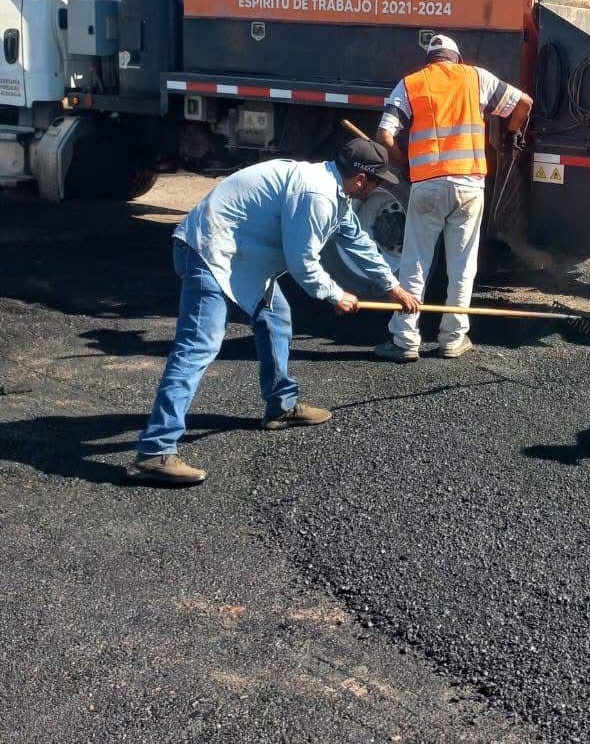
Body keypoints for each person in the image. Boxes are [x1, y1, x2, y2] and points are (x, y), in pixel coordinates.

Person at [129, 138, 420, 487]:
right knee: (198, 347)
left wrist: (392, 286)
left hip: (244, 256)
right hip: (210, 250)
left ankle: (280, 406)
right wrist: (335, 295)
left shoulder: (334, 192)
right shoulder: (317, 194)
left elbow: (356, 240)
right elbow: (303, 263)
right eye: (376, 181)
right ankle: (155, 450)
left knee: (276, 317)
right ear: (360, 180)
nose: (376, 188)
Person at [374, 34, 533, 361]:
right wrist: (512, 134)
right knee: (462, 266)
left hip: (427, 185)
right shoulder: (476, 77)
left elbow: (384, 135)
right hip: (469, 186)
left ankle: (405, 340)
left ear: (431, 60)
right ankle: (453, 338)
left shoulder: (411, 84)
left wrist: (403, 163)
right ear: (455, 58)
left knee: (415, 263)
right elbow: (524, 103)